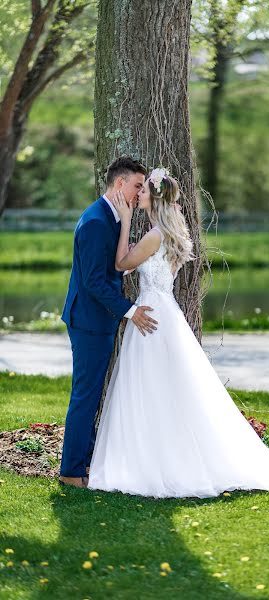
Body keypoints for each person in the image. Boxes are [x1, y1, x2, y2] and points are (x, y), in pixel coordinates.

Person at [87, 168, 269, 498]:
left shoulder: (154, 236)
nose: (139, 194)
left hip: (151, 317)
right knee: (164, 387)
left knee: (150, 385)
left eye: (145, 189)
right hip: (164, 314)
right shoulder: (165, 233)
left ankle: (153, 462)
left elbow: (121, 264)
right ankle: (165, 458)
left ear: (155, 198)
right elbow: (141, 263)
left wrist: (123, 220)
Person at [59, 157, 158, 489]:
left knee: (91, 394)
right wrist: (130, 311)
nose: (140, 192)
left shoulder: (113, 218)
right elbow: (93, 282)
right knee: (85, 395)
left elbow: (111, 268)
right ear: (120, 184)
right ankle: (72, 472)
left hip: (98, 320)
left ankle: (84, 464)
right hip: (88, 321)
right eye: (137, 186)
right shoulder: (96, 222)